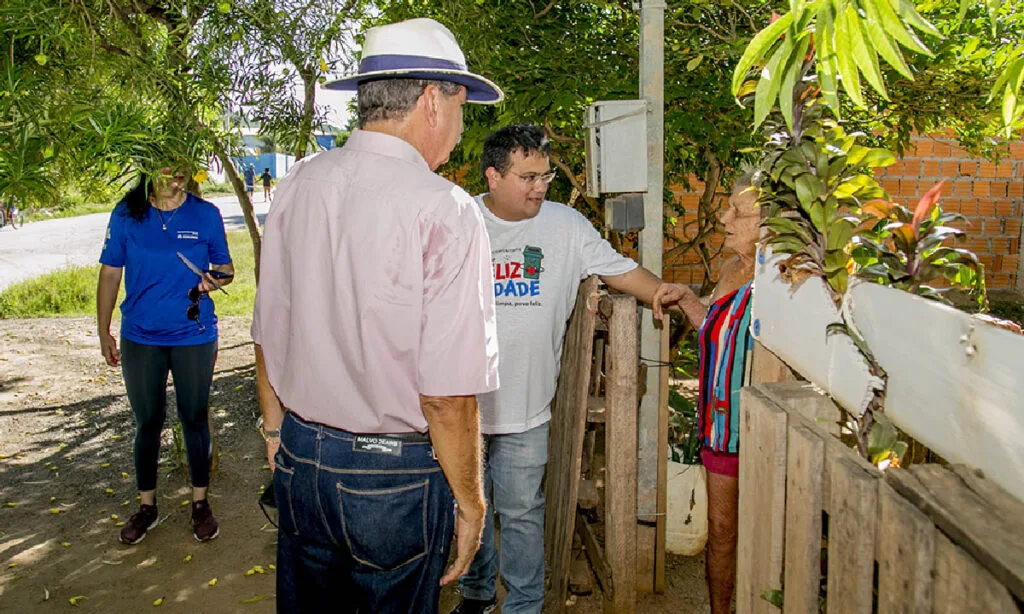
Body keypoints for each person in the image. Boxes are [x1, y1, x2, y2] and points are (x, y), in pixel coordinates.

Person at [251, 18, 504, 613]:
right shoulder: (446, 209)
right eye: (463, 109)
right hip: (392, 482)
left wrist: (273, 428)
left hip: (301, 457)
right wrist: (472, 503)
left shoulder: (297, 185)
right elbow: (446, 394)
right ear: (432, 102)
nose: (462, 130)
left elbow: (266, 327)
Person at [453, 124, 693, 614]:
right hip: (458, 407)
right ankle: (477, 594)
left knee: (520, 513)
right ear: (493, 176)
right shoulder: (459, 221)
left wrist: (665, 292)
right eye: (527, 177)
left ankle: (523, 606)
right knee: (464, 508)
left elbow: (619, 269)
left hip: (525, 406)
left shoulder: (564, 226)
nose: (540, 187)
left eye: (545, 176)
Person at [96, 167, 234, 545]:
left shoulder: (205, 214)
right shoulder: (127, 213)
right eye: (169, 172)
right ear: (149, 172)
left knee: (194, 417)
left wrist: (213, 280)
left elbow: (225, 268)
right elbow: (110, 272)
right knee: (147, 422)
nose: (180, 179)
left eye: (183, 171)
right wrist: (103, 328)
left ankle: (200, 503)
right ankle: (146, 507)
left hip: (194, 334)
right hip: (141, 335)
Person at [672, 173, 760, 614]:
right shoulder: (731, 268)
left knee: (765, 532)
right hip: (721, 427)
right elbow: (717, 331)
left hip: (762, 432)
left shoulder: (786, 279)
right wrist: (688, 299)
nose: (724, 218)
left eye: (739, 213)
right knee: (721, 530)